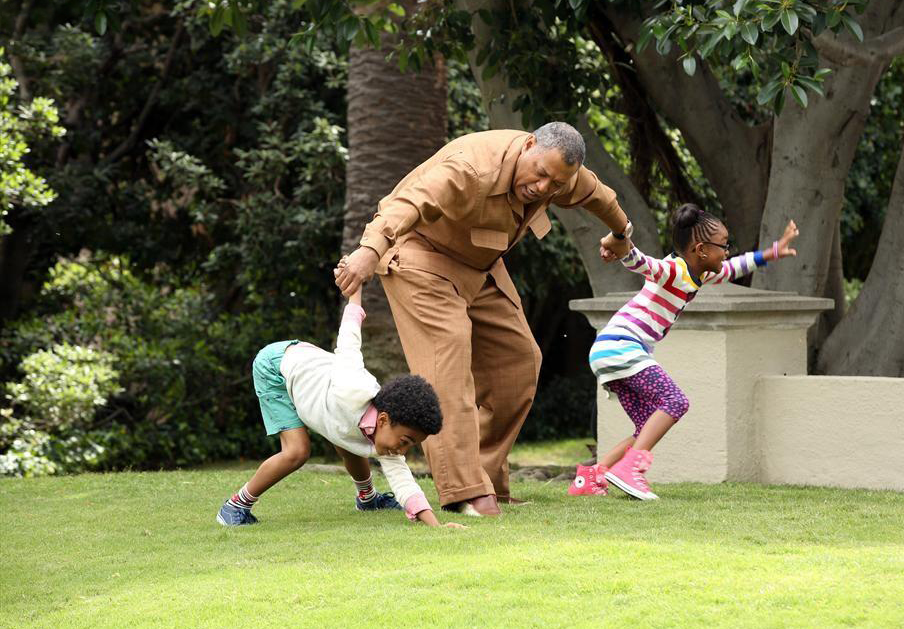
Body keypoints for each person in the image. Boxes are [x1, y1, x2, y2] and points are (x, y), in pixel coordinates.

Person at [335, 122, 634, 516]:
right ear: (529, 145)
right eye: (541, 174)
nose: (544, 188)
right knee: (448, 363)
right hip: (420, 256)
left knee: (520, 360)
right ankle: (463, 492)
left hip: (479, 264)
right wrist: (369, 251)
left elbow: (600, 196)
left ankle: (485, 478)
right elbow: (405, 204)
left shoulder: (563, 176)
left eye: (556, 184)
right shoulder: (470, 168)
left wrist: (621, 234)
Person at [568, 203, 800, 500]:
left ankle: (592, 476)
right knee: (675, 401)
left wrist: (774, 251)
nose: (727, 251)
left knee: (647, 426)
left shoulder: (701, 273)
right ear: (701, 249)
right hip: (620, 345)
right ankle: (629, 471)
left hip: (611, 352)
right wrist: (622, 247)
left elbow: (734, 268)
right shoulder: (674, 270)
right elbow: (643, 263)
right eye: (723, 246)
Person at [216, 280, 465, 528]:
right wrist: (355, 292)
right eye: (405, 442)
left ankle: (367, 498)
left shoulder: (388, 439)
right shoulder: (353, 385)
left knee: (350, 441)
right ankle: (235, 506)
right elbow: (349, 338)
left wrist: (437, 527)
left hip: (316, 382)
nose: (402, 451)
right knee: (297, 451)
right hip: (277, 368)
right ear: (383, 419)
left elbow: (404, 483)